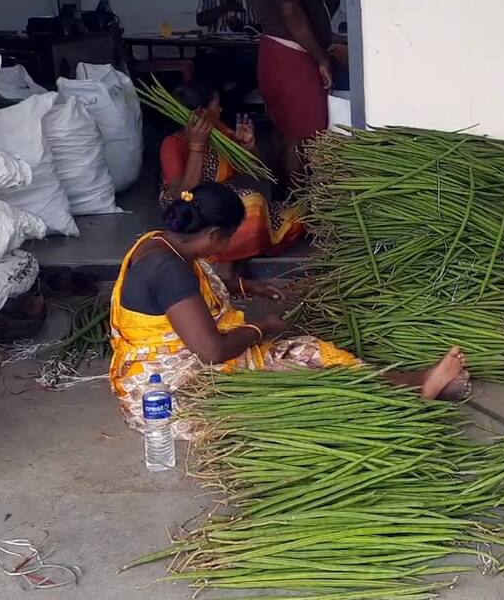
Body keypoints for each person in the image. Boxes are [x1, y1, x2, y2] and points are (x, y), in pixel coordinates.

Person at [110, 182, 470, 436]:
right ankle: (414, 389)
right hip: (171, 392)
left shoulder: (163, 244)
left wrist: (244, 286)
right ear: (212, 236)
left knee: (308, 354)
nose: (229, 248)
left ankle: (414, 384)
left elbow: (177, 303)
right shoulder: (169, 269)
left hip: (178, 370)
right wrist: (262, 328)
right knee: (306, 388)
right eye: (231, 238)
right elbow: (212, 351)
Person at [159, 81, 305, 262]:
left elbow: (258, 170)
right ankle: (227, 252)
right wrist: (197, 147)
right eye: (216, 105)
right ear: (200, 112)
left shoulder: (220, 134)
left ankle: (236, 248)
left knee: (299, 213)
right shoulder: (173, 144)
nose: (220, 110)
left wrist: (249, 147)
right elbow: (182, 195)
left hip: (222, 207)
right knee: (253, 208)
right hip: (193, 216)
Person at [250, 0, 341, 181]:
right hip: (291, 56)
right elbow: (292, 13)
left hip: (278, 52)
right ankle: (295, 199)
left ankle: (281, 195)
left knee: (284, 131)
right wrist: (322, 58)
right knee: (300, 136)